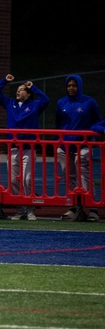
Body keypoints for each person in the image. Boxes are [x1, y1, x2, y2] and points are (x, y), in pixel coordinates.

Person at [0, 74, 49, 220]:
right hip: (13, 148)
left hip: (28, 148)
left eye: (22, 90)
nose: (18, 91)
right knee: (13, 181)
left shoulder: (35, 105)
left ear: (28, 94)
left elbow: (46, 100)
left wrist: (33, 87)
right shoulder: (10, 103)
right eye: (17, 89)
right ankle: (20, 210)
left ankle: (30, 210)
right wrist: (4, 80)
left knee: (27, 179)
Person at [55, 74, 101, 221]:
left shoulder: (89, 102)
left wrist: (94, 134)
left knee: (85, 176)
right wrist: (59, 142)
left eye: (74, 85)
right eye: (69, 86)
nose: (71, 88)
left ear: (79, 86)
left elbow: (98, 121)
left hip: (83, 145)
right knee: (69, 177)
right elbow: (58, 123)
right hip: (64, 146)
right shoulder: (61, 103)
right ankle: (74, 207)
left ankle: (92, 209)